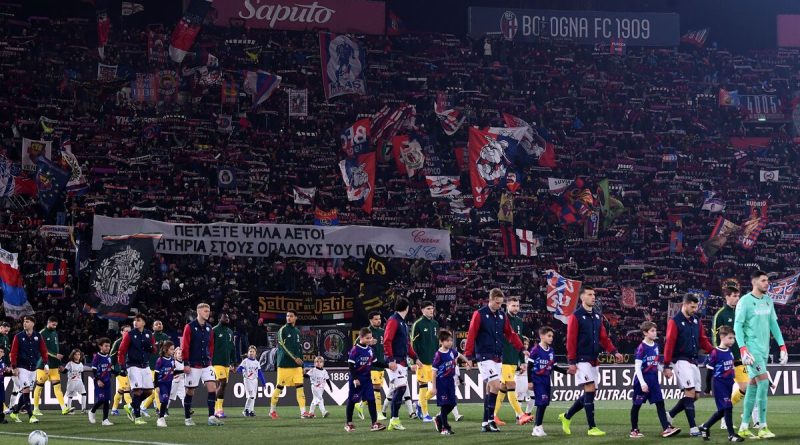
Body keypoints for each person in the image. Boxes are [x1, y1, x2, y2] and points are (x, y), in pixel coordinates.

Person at [561, 286, 623, 437]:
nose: (593, 297)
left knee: (591, 392)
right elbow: (571, 340)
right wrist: (572, 361)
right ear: (582, 297)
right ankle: (592, 427)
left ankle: (567, 416)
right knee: (589, 389)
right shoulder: (576, 316)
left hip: (594, 359)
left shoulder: (597, 316)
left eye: (594, 294)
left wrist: (614, 351)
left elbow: (603, 338)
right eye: (589, 294)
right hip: (581, 359)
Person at [734, 270, 789, 439]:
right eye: (763, 280)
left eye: (767, 280)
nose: (767, 283)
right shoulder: (745, 301)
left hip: (765, 349)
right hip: (752, 350)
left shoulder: (768, 300)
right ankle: (762, 426)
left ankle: (744, 426)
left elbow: (773, 324)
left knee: (753, 386)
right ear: (754, 282)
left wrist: (782, 346)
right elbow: (737, 326)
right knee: (764, 383)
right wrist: (743, 348)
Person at [464, 288, 526, 433]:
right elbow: (471, 334)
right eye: (497, 303)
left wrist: (521, 348)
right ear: (490, 300)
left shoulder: (501, 315)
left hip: (498, 356)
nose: (499, 306)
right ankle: (492, 420)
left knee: (490, 388)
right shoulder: (479, 314)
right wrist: (468, 356)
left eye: (500, 303)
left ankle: (485, 422)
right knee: (496, 386)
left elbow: (510, 334)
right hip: (484, 356)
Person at [663, 293, 714, 437]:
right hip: (681, 360)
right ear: (684, 305)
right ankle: (693, 428)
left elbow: (703, 340)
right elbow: (669, 343)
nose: (694, 309)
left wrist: (714, 352)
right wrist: (667, 365)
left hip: (693, 361)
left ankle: (670, 415)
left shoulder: (696, 320)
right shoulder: (675, 321)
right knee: (690, 392)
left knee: (695, 396)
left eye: (696, 307)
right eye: (692, 307)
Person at [711, 286, 757, 431]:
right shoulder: (721, 315)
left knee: (748, 388)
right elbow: (715, 337)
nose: (737, 298)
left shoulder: (740, 312)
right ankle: (725, 415)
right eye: (734, 296)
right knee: (743, 388)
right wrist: (719, 355)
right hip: (727, 359)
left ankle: (730, 414)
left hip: (741, 357)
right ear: (727, 297)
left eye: (738, 296)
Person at [629, 321, 680, 438]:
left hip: (654, 381)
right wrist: (642, 383)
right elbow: (637, 367)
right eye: (652, 331)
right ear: (645, 333)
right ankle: (634, 430)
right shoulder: (641, 348)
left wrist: (663, 371)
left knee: (660, 403)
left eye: (655, 330)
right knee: (636, 405)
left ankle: (666, 428)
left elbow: (655, 363)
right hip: (642, 381)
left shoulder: (656, 346)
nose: (655, 333)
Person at [698, 326, 745, 442]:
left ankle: (705, 427)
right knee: (728, 407)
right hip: (719, 384)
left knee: (722, 411)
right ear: (722, 337)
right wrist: (708, 387)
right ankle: (731, 435)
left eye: (733, 338)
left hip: (729, 383)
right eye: (730, 338)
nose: (733, 341)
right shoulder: (715, 352)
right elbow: (709, 372)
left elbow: (731, 366)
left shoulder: (729, 352)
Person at [181, 302, 224, 426]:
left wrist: (209, 358)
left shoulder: (209, 328)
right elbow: (185, 345)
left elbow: (211, 345)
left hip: (206, 363)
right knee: (190, 391)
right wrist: (186, 363)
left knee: (212, 388)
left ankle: (211, 417)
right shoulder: (189, 327)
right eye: (205, 311)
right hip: (193, 364)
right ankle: (187, 418)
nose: (208, 313)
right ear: (198, 312)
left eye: (208, 311)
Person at [493, 296, 532, 426]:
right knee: (511, 385)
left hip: (513, 359)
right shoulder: (501, 319)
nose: (516, 308)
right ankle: (521, 415)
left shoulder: (519, 322)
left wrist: (522, 361)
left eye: (517, 306)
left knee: (503, 387)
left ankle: (493, 415)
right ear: (507, 306)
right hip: (503, 359)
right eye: (513, 306)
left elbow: (519, 342)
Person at [383, 297, 417, 431]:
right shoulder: (393, 321)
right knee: (401, 388)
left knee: (399, 389)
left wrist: (416, 358)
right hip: (395, 361)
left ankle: (394, 419)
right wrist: (390, 359)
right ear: (407, 308)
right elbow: (387, 340)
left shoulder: (401, 322)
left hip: (401, 361)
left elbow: (406, 344)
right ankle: (394, 420)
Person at [269, 310, 310, 419]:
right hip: (284, 364)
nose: (289, 318)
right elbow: (283, 346)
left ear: (296, 317)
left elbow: (299, 349)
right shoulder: (282, 330)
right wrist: (294, 358)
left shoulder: (297, 331)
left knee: (300, 387)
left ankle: (303, 412)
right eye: (287, 316)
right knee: (279, 387)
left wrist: (302, 365)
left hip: (296, 366)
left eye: (291, 316)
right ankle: (272, 411)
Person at [344, 327, 386, 432]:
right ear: (361, 338)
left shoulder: (370, 350)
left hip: (367, 380)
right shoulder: (355, 350)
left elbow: (376, 363)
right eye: (367, 338)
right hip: (357, 380)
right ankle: (349, 423)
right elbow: (350, 365)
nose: (369, 340)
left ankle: (374, 423)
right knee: (352, 400)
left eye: (370, 338)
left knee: (371, 400)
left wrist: (388, 365)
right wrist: (355, 378)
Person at [527, 326, 567, 437]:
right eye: (549, 336)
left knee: (544, 403)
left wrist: (566, 372)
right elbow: (529, 366)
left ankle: (537, 427)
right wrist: (530, 381)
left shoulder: (551, 351)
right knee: (541, 402)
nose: (551, 338)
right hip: (537, 380)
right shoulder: (535, 349)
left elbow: (554, 366)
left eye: (552, 336)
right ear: (542, 336)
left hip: (546, 380)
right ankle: (537, 427)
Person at [118, 313, 157, 425]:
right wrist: (122, 366)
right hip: (133, 365)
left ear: (144, 322)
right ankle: (138, 417)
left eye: (138, 320)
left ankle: (130, 406)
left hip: (145, 365)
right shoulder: (129, 334)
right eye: (135, 320)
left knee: (149, 391)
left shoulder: (149, 334)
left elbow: (154, 350)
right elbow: (121, 351)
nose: (135, 322)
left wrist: (150, 347)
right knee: (138, 391)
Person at [429, 330, 470, 435]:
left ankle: (438, 418)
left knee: (452, 403)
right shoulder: (438, 355)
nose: (450, 342)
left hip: (450, 381)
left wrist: (467, 361)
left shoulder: (452, 351)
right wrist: (434, 387)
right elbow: (434, 372)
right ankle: (445, 427)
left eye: (451, 340)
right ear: (441, 342)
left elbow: (459, 355)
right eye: (447, 341)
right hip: (441, 382)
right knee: (444, 405)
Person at [9, 315, 48, 424]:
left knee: (26, 392)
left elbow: (44, 350)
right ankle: (31, 416)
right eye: (24, 322)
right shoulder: (18, 336)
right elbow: (13, 352)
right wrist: (14, 367)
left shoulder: (38, 336)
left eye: (27, 321)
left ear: (33, 323)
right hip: (22, 367)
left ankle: (15, 412)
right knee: (26, 390)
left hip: (33, 368)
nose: (24, 323)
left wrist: (46, 364)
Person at [33, 316, 69, 415]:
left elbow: (56, 349)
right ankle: (35, 409)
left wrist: (59, 364)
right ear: (48, 322)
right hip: (43, 365)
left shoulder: (54, 333)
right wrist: (55, 355)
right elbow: (42, 349)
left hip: (54, 366)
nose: (54, 327)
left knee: (57, 387)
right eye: (53, 325)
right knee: (39, 387)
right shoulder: (41, 333)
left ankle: (64, 408)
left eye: (56, 325)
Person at [411, 300, 439, 422]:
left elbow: (436, 342)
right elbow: (413, 344)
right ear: (422, 310)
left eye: (432, 308)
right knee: (423, 386)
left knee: (436, 389)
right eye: (428, 309)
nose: (431, 311)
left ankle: (418, 404)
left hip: (434, 361)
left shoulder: (435, 324)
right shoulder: (418, 324)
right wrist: (414, 360)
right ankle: (425, 414)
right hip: (422, 362)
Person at [141, 320, 171, 417]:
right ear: (153, 327)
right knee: (157, 390)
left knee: (155, 391)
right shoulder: (150, 336)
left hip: (162, 367)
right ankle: (160, 410)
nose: (159, 325)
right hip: (152, 367)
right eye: (156, 324)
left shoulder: (165, 336)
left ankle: (143, 407)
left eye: (160, 324)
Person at [212, 314, 237, 418]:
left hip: (226, 363)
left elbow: (232, 348)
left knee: (223, 385)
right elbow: (209, 346)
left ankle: (218, 409)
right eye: (224, 317)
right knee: (222, 382)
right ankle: (217, 409)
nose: (227, 319)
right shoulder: (214, 330)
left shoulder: (230, 332)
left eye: (228, 317)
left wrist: (234, 362)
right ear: (219, 319)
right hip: (216, 362)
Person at [365, 311, 387, 421]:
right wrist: (368, 342)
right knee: (377, 388)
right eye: (376, 319)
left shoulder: (383, 331)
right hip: (371, 365)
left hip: (381, 364)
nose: (378, 321)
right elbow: (356, 345)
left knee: (376, 389)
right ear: (370, 320)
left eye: (379, 319)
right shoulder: (366, 332)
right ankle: (378, 412)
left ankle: (360, 404)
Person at [88, 337, 115, 426]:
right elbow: (94, 369)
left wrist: (118, 373)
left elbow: (109, 369)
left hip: (107, 382)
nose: (108, 348)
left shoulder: (108, 357)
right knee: (101, 399)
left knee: (107, 400)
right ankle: (92, 411)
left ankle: (105, 420)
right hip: (99, 382)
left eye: (109, 346)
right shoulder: (97, 357)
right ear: (100, 346)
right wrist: (98, 380)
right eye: (106, 346)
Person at [154, 340, 181, 427]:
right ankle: (161, 418)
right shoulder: (160, 360)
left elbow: (172, 372)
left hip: (169, 383)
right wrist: (156, 386)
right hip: (162, 383)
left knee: (165, 401)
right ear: (166, 350)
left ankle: (161, 417)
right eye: (171, 349)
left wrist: (183, 371)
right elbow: (156, 374)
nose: (173, 351)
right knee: (165, 399)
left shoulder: (172, 360)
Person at [237, 345, 266, 417]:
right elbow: (239, 369)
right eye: (250, 351)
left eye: (253, 351)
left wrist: (264, 383)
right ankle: (246, 410)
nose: (251, 353)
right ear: (248, 353)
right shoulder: (245, 361)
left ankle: (251, 411)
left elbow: (260, 373)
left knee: (253, 396)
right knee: (251, 395)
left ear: (255, 353)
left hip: (254, 380)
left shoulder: (257, 362)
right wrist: (240, 370)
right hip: (247, 380)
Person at [110, 324, 133, 416]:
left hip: (129, 368)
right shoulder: (118, 342)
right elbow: (112, 355)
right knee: (127, 388)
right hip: (119, 369)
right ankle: (131, 407)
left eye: (129, 331)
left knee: (121, 390)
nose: (128, 333)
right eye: (126, 331)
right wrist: (112, 367)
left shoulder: (132, 342)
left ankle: (114, 409)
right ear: (121, 332)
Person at [62, 349, 88, 413]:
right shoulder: (70, 363)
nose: (77, 356)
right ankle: (69, 409)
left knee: (84, 393)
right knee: (70, 395)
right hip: (72, 381)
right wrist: (61, 369)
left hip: (79, 381)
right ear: (73, 356)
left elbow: (81, 372)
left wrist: (82, 382)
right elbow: (64, 371)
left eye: (78, 354)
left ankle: (83, 409)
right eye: (76, 354)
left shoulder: (81, 364)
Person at [0, 345, 10, 424]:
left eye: (1, 352)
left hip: (1, 384)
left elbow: (5, 371)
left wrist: (8, 370)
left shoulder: (2, 362)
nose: (0, 353)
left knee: (1, 401)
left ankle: (1, 418)